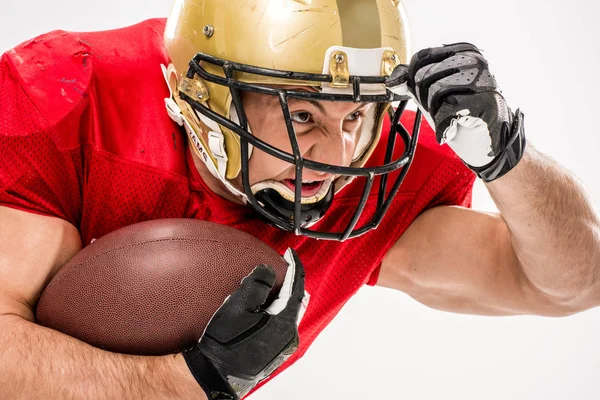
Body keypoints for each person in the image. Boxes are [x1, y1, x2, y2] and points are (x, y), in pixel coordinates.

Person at [1, 0, 598, 399]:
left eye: (357, 115)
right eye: (303, 114)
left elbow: (570, 284)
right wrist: (185, 382)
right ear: (206, 96)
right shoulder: (67, 100)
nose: (338, 158)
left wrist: (510, 159)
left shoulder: (368, 162)